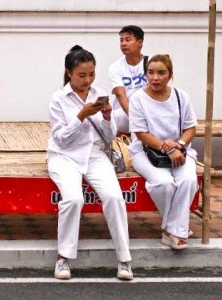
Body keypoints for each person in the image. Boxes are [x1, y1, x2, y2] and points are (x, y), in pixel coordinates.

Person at [46, 45, 133, 281]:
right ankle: (63, 258)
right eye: (81, 75)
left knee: (114, 197)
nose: (87, 80)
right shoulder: (58, 98)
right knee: (74, 199)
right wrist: (81, 115)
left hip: (94, 154)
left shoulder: (100, 93)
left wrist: (106, 116)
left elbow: (109, 136)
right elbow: (60, 139)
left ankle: (124, 259)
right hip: (64, 156)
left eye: (91, 74)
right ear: (69, 73)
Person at [128, 54, 198, 249]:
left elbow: (191, 127)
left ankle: (172, 231)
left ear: (170, 75)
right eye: (151, 73)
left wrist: (180, 144)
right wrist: (167, 148)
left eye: (161, 73)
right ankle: (176, 229)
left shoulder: (180, 96)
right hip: (146, 151)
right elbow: (141, 133)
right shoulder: (138, 99)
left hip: (180, 150)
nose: (155, 78)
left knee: (188, 181)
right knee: (164, 183)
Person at [108, 25, 147, 136]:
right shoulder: (116, 67)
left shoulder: (150, 63)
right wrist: (137, 119)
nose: (123, 43)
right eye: (121, 40)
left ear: (139, 43)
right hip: (125, 116)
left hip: (148, 113)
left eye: (128, 40)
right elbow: (120, 95)